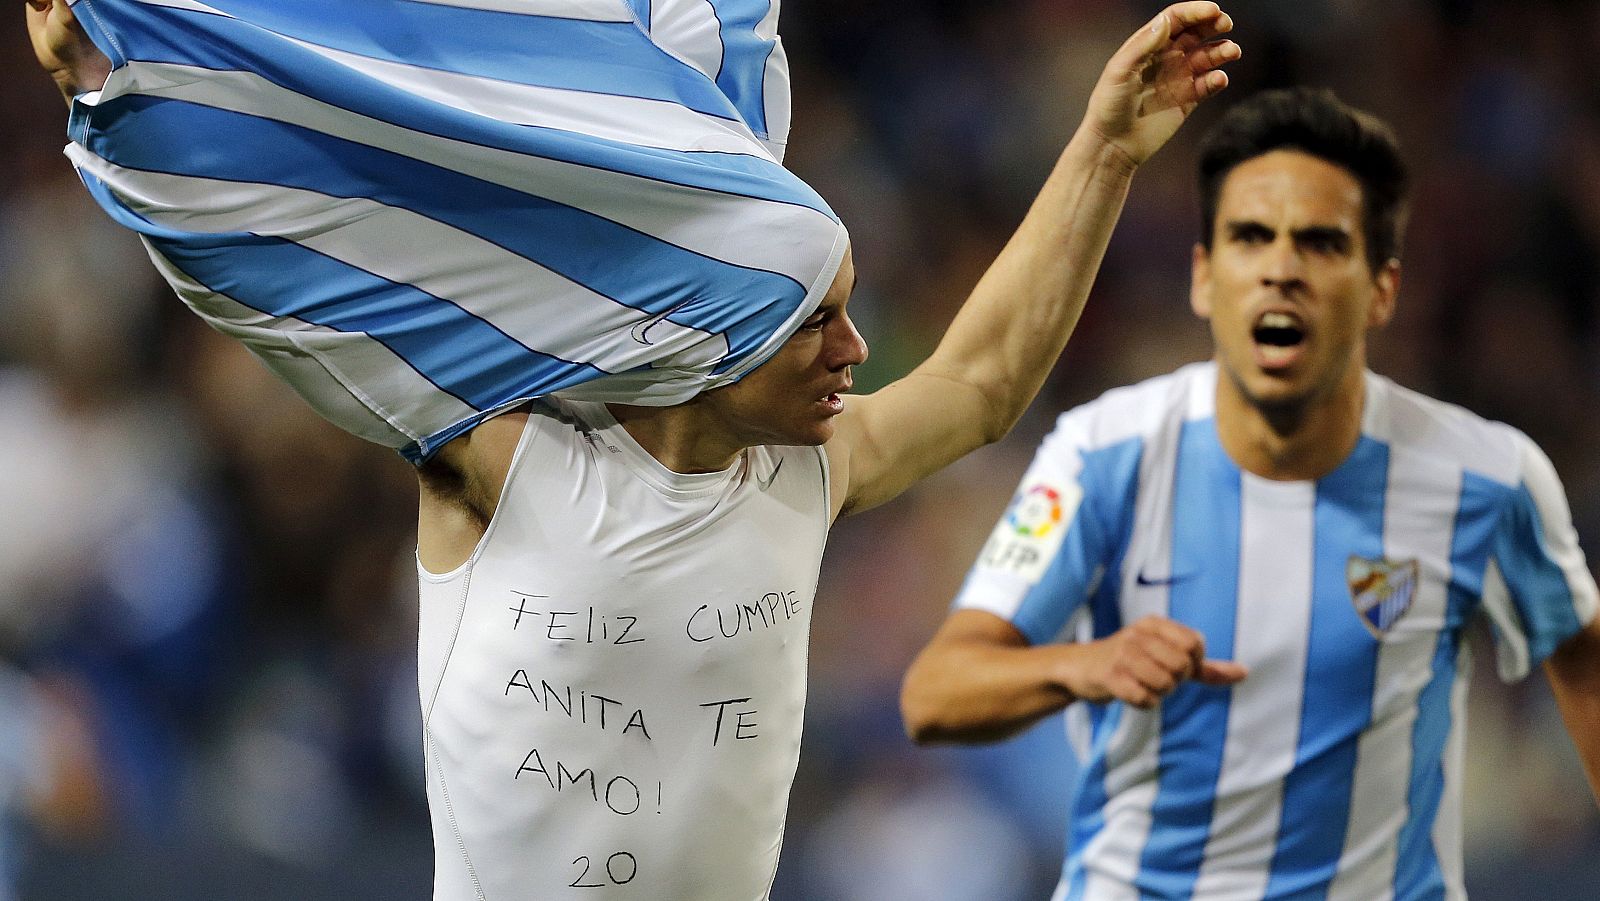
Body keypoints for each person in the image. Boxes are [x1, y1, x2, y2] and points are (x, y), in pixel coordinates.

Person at [26, 0, 1241, 898]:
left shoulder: (804, 477)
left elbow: (980, 385)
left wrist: (1106, 150)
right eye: (813, 318)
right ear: (710, 333)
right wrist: (118, 80)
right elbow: (284, 288)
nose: (851, 349)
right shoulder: (499, 465)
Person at [900, 87, 1600, 900]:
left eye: (1321, 243)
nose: (1281, 269)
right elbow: (935, 693)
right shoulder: (1104, 454)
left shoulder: (1487, 477)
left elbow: (1583, 660)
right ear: (1204, 277)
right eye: (1250, 237)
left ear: (1382, 288)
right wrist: (1086, 662)